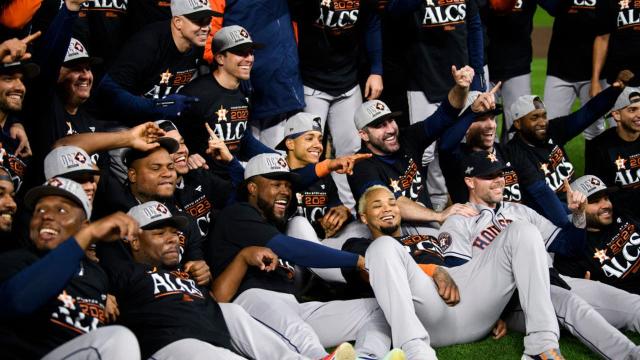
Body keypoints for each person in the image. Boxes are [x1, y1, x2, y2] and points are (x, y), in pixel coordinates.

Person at [441, 151, 640, 360]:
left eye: (500, 174)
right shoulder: (459, 220)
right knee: (569, 303)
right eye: (489, 176)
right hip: (512, 300)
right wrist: (491, 313)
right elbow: (461, 276)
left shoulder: (519, 211)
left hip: (553, 280)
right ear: (470, 182)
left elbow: (568, 246)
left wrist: (579, 214)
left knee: (631, 303)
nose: (499, 181)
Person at [209, 153, 396, 360]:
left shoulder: (275, 222)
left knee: (378, 308)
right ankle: (320, 358)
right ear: (252, 188)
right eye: (276, 184)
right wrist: (356, 260)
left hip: (293, 306)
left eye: (288, 186)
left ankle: (367, 356)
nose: (285, 191)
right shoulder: (238, 214)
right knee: (301, 335)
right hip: (251, 303)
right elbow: (293, 249)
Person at [351, 184, 561, 360]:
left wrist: (496, 307)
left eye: (392, 203)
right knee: (383, 246)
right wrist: (435, 271)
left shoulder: (428, 234)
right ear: (363, 217)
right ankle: (415, 352)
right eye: (377, 206)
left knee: (522, 231)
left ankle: (542, 346)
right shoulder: (358, 245)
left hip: (466, 298)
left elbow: (463, 265)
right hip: (425, 311)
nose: (387, 209)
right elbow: (369, 271)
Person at [107, 200, 320, 360]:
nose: (172, 238)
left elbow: (218, 300)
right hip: (166, 343)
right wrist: (102, 294)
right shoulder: (123, 271)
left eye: (174, 232)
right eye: (160, 233)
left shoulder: (188, 273)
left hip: (210, 337)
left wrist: (201, 282)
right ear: (135, 241)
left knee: (231, 311)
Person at [0, 177, 140, 359]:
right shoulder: (15, 259)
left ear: (84, 224)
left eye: (61, 210)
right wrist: (87, 236)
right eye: (39, 210)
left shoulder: (96, 275)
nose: (47, 215)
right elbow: (17, 302)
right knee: (117, 338)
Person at [347, 66, 478, 234]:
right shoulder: (361, 164)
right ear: (364, 135)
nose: (390, 129)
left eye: (390, 121)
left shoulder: (407, 139)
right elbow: (389, 203)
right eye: (380, 126)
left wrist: (460, 88)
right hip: (391, 231)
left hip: (426, 225)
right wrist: (438, 216)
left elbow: (445, 116)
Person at [506, 70, 632, 225]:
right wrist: (575, 218)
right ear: (518, 123)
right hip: (552, 215)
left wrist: (615, 89)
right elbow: (541, 197)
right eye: (534, 118)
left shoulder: (553, 130)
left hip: (578, 199)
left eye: (544, 116)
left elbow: (587, 114)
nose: (542, 122)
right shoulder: (515, 153)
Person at [278, 112, 372, 283]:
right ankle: (356, 273)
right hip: (292, 254)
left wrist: (343, 214)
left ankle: (363, 270)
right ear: (290, 143)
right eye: (309, 138)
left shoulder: (324, 177)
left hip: (324, 246)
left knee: (365, 225)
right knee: (298, 223)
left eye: (319, 139)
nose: (318, 145)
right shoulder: (278, 174)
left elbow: (336, 209)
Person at [202, 0, 305, 149]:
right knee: (238, 152)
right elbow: (208, 38)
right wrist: (228, 70)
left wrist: (289, 61)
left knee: (277, 157)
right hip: (238, 85)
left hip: (279, 82)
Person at [176, 25, 272, 172]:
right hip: (202, 178)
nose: (249, 59)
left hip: (233, 173)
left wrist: (277, 158)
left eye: (251, 52)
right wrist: (187, 156)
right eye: (241, 53)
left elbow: (243, 138)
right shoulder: (195, 94)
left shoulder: (245, 89)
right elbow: (171, 134)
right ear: (220, 58)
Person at [96, 0, 211, 123]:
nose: (206, 28)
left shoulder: (197, 43)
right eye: (199, 21)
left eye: (208, 21)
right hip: (119, 120)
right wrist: (158, 106)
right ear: (178, 22)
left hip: (160, 117)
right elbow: (109, 93)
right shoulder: (146, 44)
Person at [554, 175, 640, 295]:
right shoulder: (572, 249)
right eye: (595, 201)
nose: (606, 205)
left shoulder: (622, 211)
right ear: (577, 209)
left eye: (606, 198)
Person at [158, 119, 243, 236]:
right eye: (171, 146)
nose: (182, 150)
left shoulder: (198, 175)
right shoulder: (155, 196)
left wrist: (230, 160)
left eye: (182, 143)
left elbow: (241, 196)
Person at [543, 0, 609, 147]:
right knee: (550, 128)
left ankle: (594, 170)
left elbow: (603, 36)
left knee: (595, 130)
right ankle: (552, 169)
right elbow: (552, 7)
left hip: (593, 74)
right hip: (559, 71)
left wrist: (596, 79)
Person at [586, 86, 640, 218]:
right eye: (632, 110)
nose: (639, 115)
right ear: (616, 115)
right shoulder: (599, 147)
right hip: (623, 216)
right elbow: (596, 192)